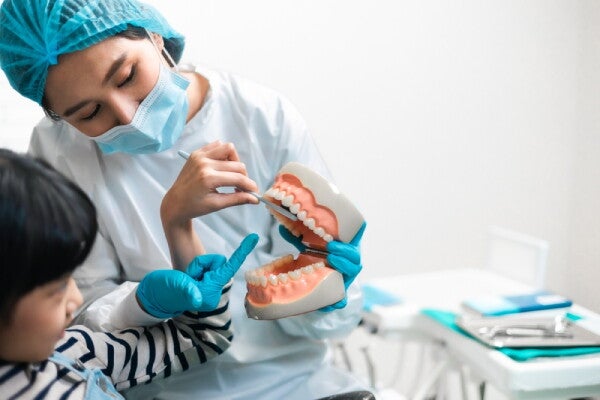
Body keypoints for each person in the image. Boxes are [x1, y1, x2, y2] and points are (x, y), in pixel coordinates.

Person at [0, 1, 369, 398]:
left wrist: (324, 294)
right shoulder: (58, 154)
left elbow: (328, 309)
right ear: (60, 116)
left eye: (127, 76)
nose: (128, 117)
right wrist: (141, 301)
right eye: (90, 113)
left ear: (154, 35)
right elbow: (75, 325)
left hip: (294, 384)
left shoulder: (262, 117)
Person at [0, 148, 259, 399]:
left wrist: (144, 307)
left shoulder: (72, 353)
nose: (76, 300)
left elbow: (201, 340)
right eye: (56, 290)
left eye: (70, 277)